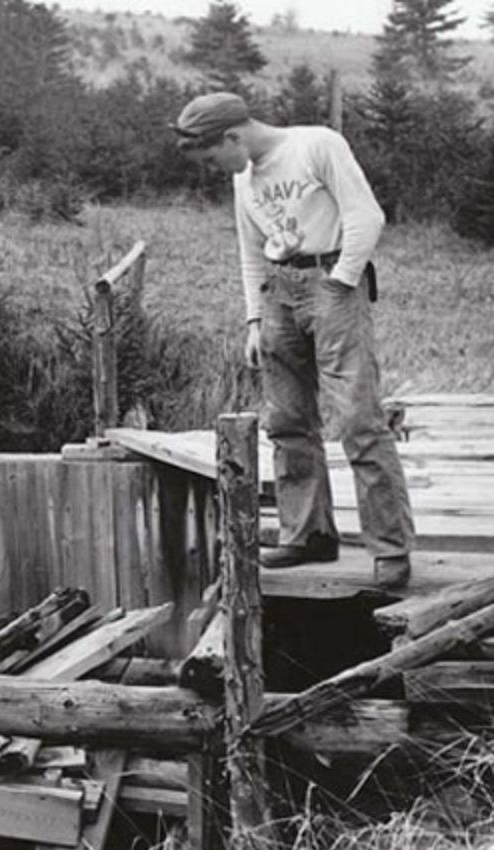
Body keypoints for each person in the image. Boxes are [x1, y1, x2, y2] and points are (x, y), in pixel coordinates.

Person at [172, 91, 414, 590]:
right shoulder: (245, 177)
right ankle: (308, 534)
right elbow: (250, 249)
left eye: (215, 157)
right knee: (287, 420)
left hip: (332, 282)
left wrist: (342, 281)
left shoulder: (316, 145)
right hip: (278, 291)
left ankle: (390, 548)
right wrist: (254, 320)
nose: (217, 169)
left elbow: (366, 215)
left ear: (233, 136)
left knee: (358, 419)